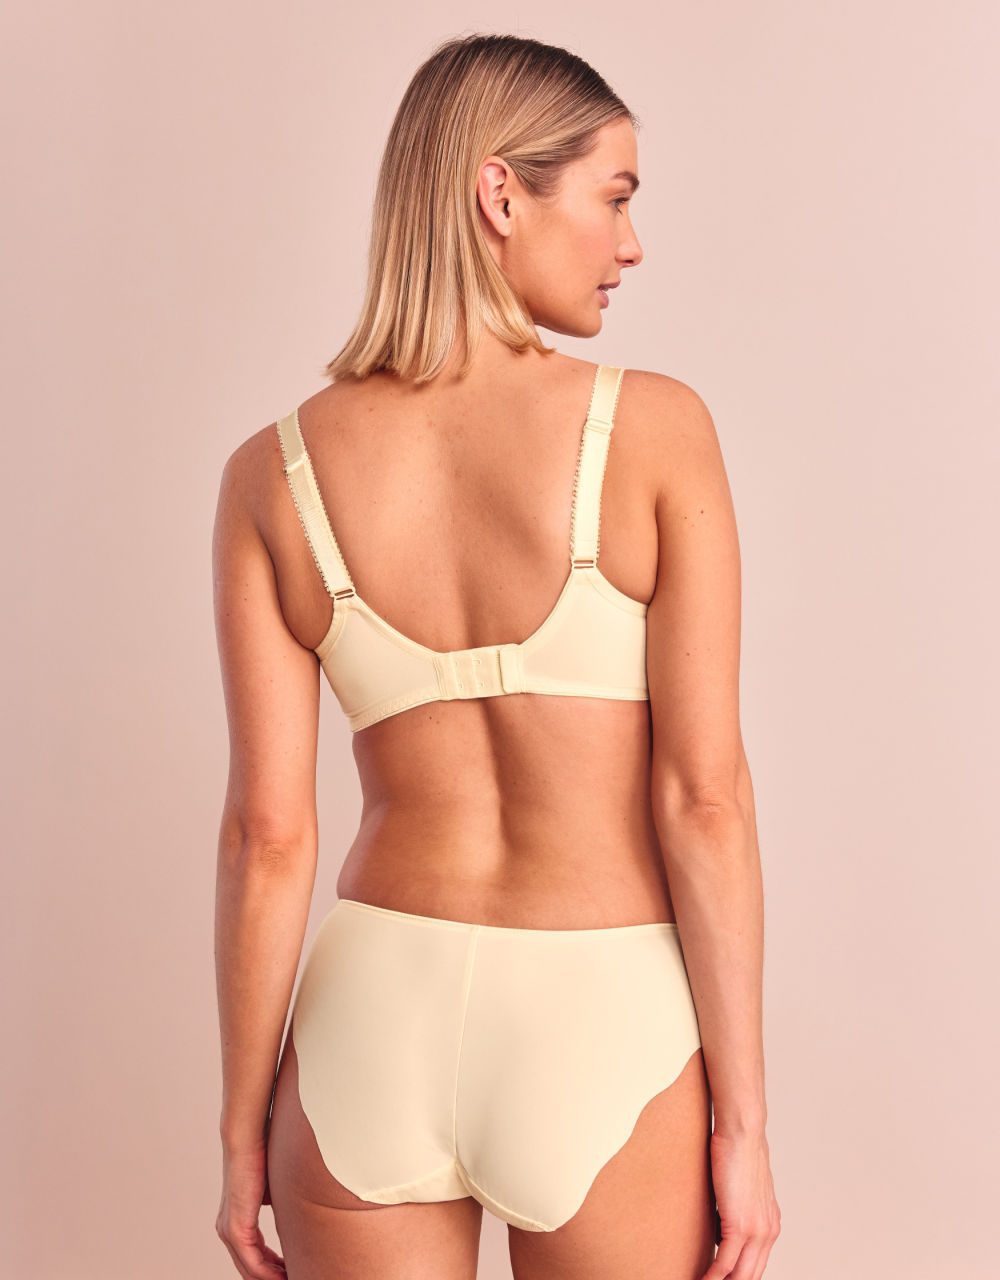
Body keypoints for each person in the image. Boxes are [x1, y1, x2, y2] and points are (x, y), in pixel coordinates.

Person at [212, 31, 780, 1280]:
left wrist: (244, 1128)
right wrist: (742, 1122)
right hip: (599, 1016)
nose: (631, 244)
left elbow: (268, 836)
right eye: (614, 198)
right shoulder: (654, 430)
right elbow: (704, 797)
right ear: (500, 192)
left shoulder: (270, 475)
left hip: (367, 1025)